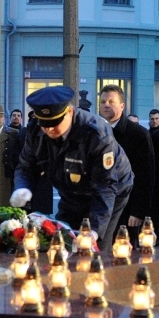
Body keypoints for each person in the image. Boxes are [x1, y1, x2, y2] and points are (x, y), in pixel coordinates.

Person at [12, 86, 133, 252]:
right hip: (70, 190)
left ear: (69, 112)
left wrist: (94, 231)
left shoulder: (96, 133)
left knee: (92, 247)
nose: (49, 130)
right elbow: (26, 167)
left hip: (111, 189)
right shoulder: (35, 130)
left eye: (54, 124)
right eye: (44, 125)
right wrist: (22, 187)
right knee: (61, 239)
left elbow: (105, 186)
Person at [99, 85, 154, 245]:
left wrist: (138, 211)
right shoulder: (94, 131)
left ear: (122, 106)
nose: (106, 105)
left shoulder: (139, 134)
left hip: (126, 210)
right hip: (97, 210)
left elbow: (146, 175)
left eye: (111, 101)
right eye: (103, 102)